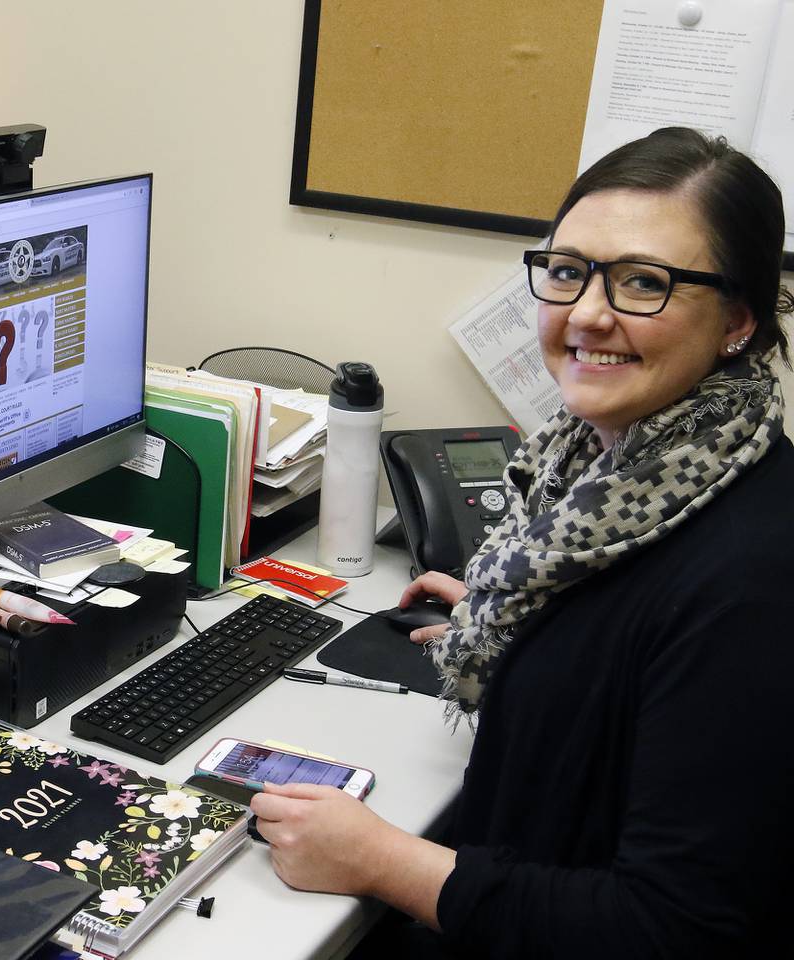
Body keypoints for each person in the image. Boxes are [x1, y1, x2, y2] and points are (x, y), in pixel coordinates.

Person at [251, 127, 794, 958]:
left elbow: (670, 926)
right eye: (569, 271)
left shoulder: (754, 578)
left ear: (739, 321)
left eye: (645, 283)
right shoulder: (601, 474)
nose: (586, 314)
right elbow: (629, 665)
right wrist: (528, 627)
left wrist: (382, 862)